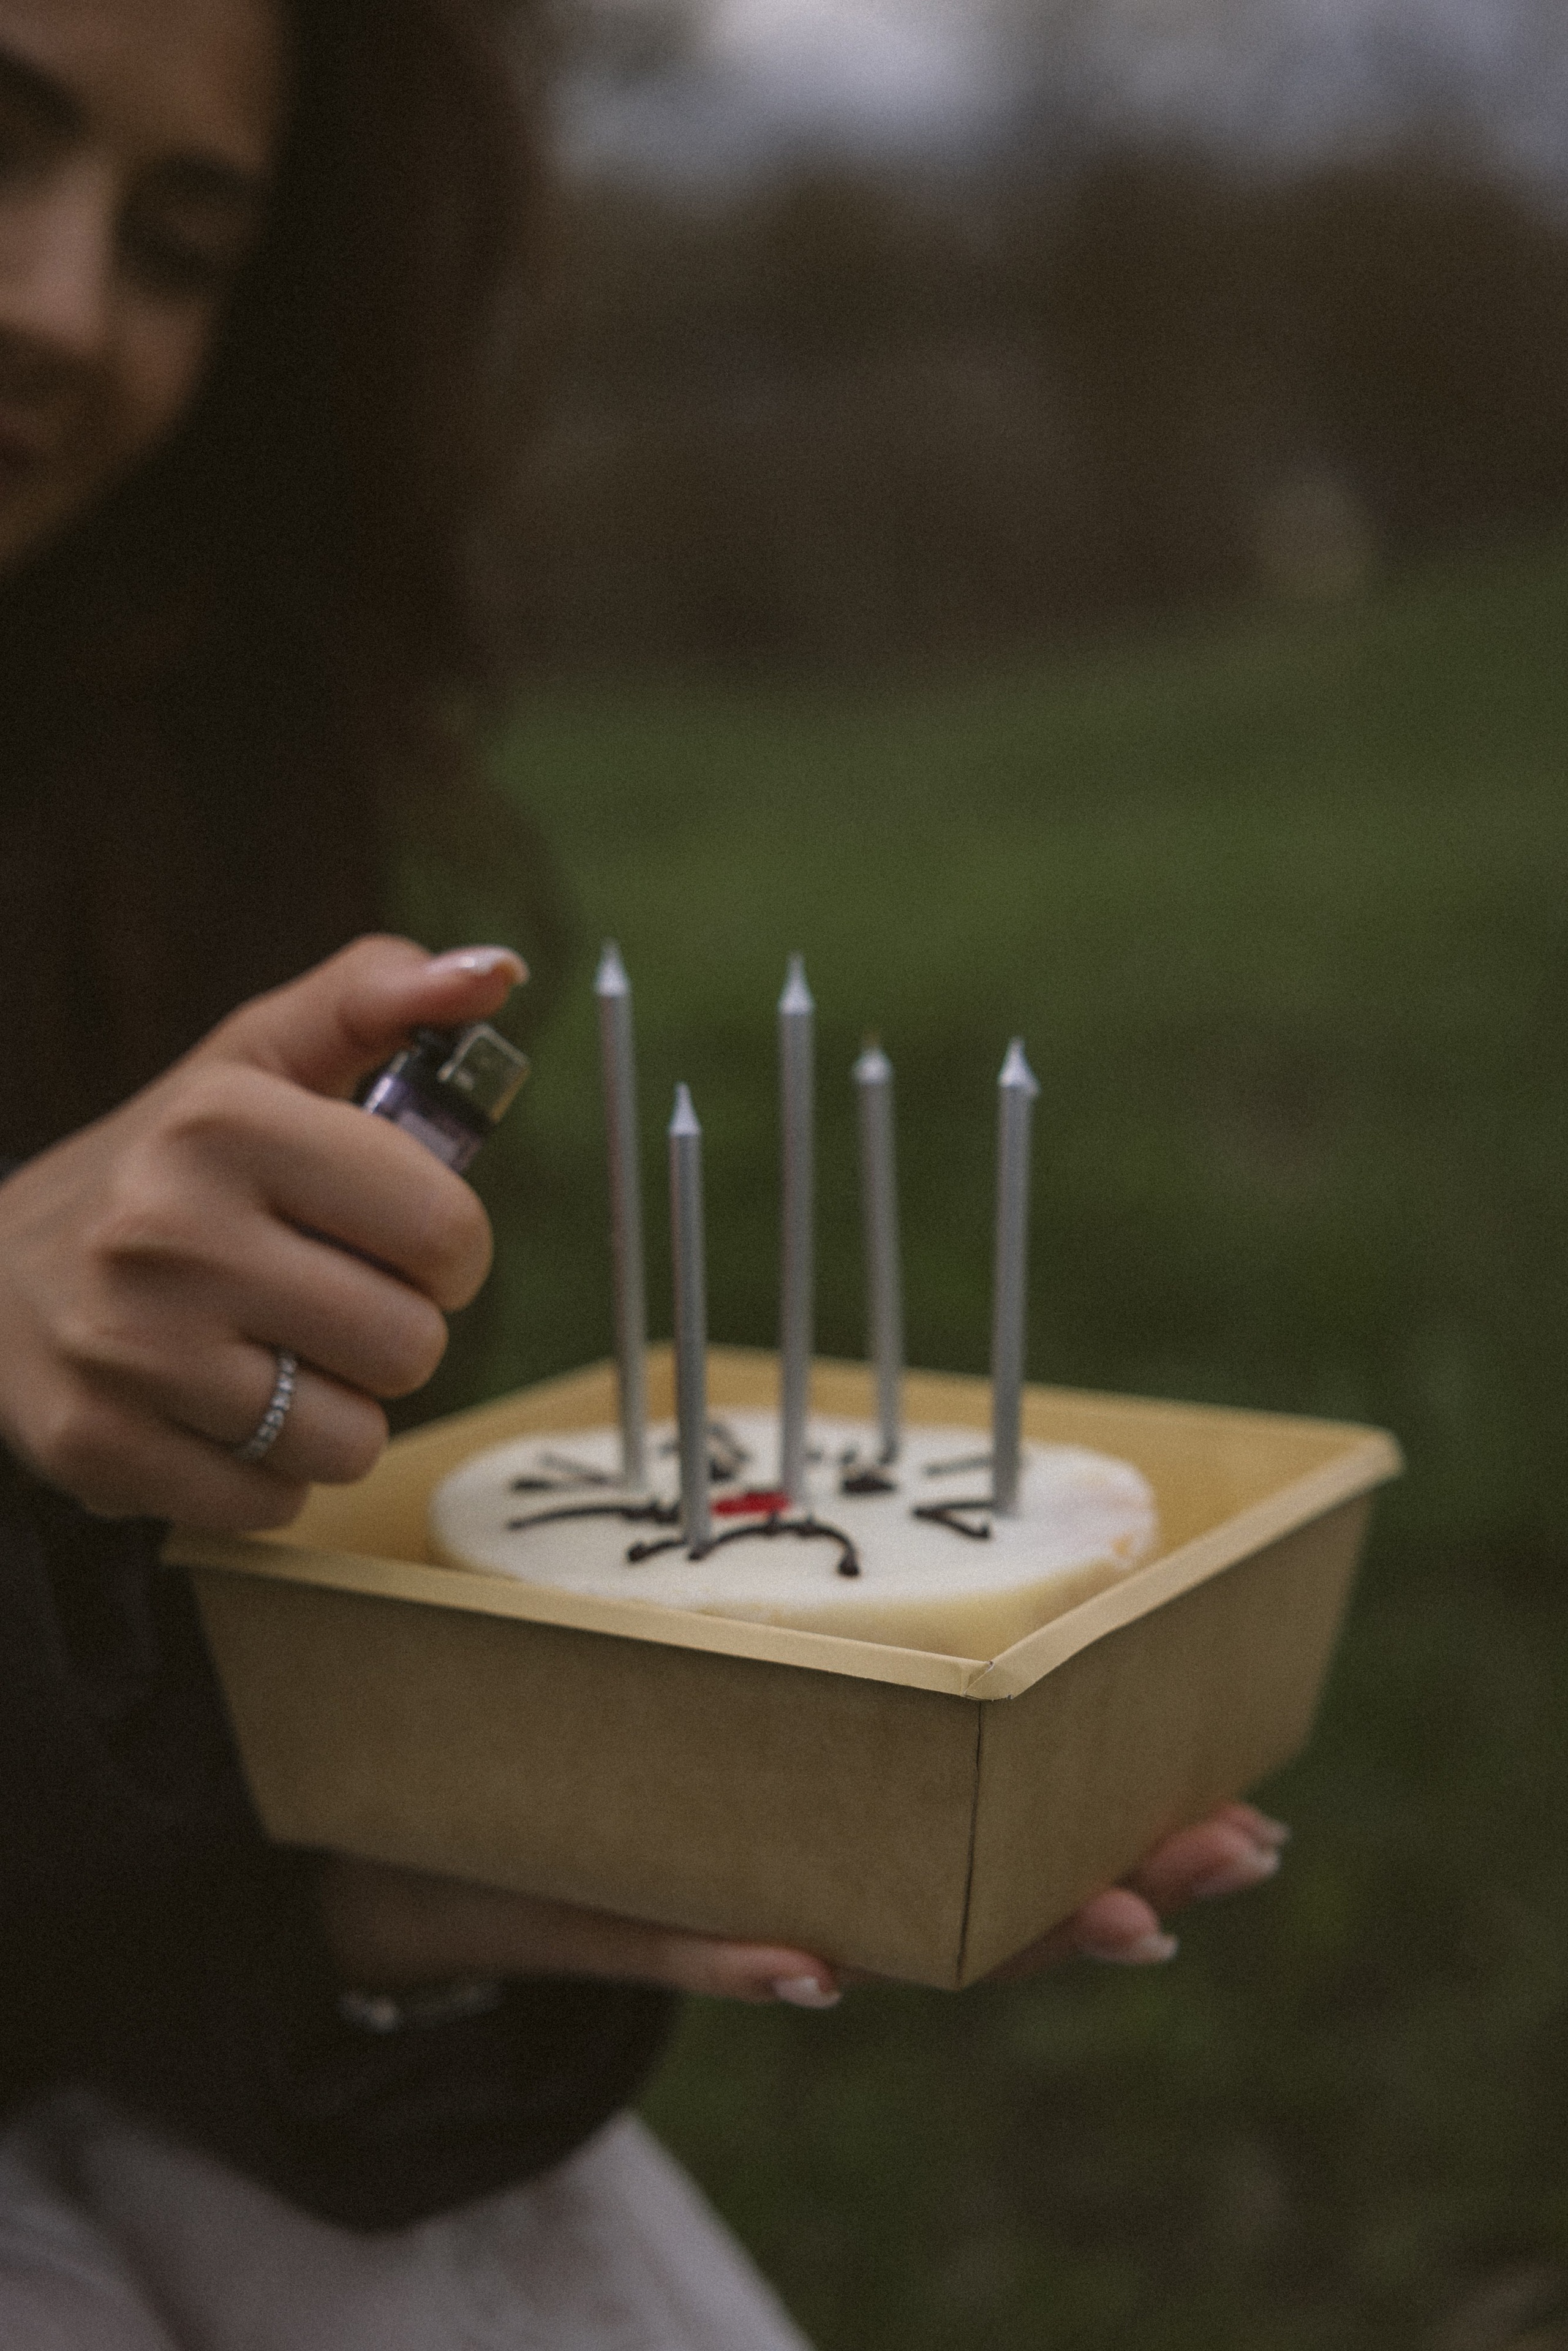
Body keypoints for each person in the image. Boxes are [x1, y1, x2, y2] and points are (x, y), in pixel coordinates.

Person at [0, 0, 1291, 2342]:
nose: (62, 305)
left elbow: (114, 1796)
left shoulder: (170, 789)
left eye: (186, 247)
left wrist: (337, 1889)